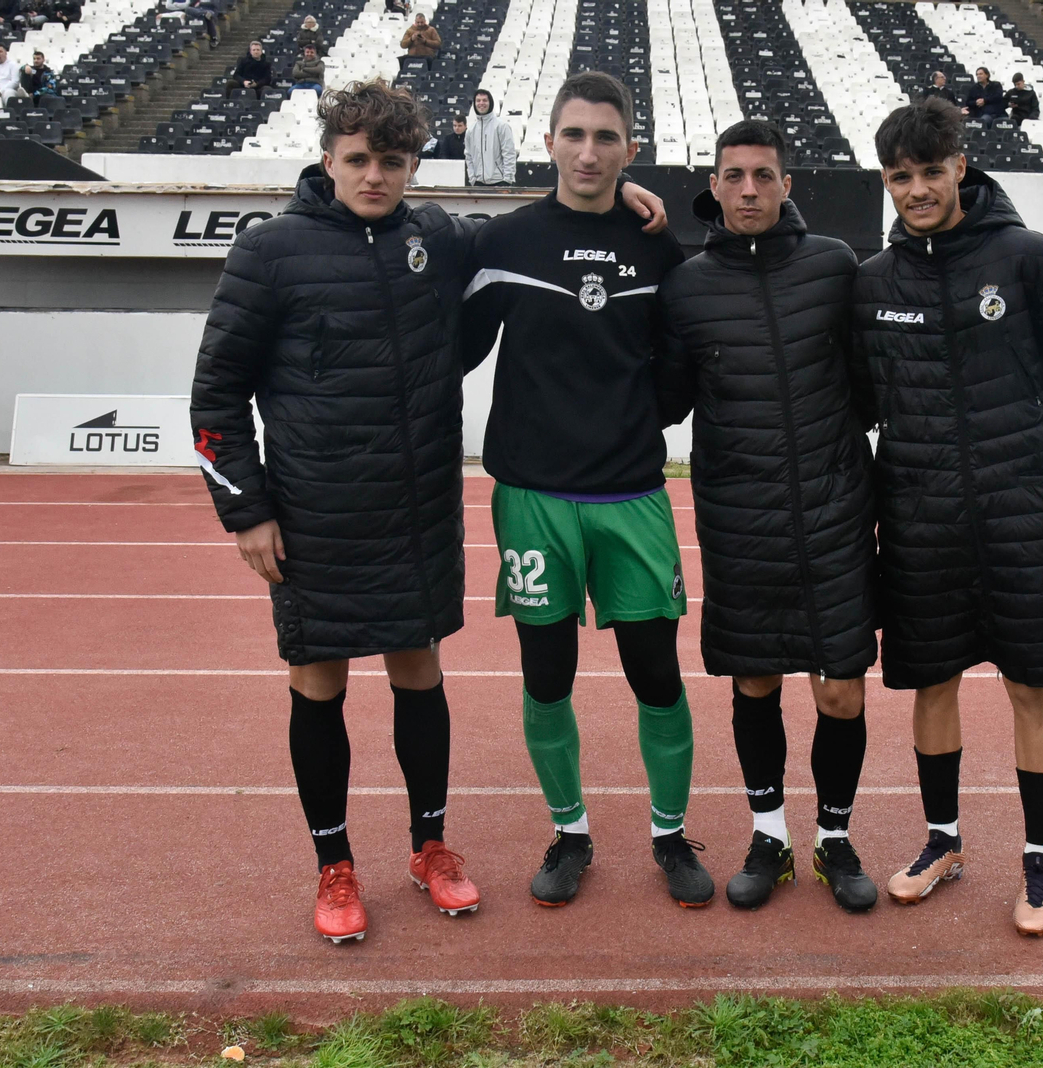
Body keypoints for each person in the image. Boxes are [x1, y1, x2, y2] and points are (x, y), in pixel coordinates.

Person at [190, 80, 482, 945]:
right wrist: (246, 512)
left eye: (393, 161)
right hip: (316, 517)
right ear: (328, 160)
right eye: (359, 159)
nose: (376, 176)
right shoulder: (271, 250)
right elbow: (214, 396)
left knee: (418, 674)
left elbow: (534, 235)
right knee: (320, 683)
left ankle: (430, 846)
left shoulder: (435, 235)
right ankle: (334, 862)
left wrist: (620, 200)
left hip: (417, 509)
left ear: (412, 166)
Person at [851, 98, 1043, 936]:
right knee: (930, 685)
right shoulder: (873, 284)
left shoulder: (1036, 261)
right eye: (902, 177)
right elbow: (857, 403)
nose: (919, 190)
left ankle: (1040, 865)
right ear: (887, 181)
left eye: (933, 173)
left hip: (1024, 517)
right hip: (923, 523)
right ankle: (943, 843)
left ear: (961, 166)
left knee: (1029, 684)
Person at [460, 70, 708, 909]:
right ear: (549, 142)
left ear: (630, 150)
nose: (589, 150)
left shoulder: (658, 247)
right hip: (531, 497)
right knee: (546, 675)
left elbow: (679, 369)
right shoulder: (506, 242)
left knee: (656, 677)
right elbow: (452, 348)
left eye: (606, 137)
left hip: (631, 496)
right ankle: (570, 833)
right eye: (575, 134)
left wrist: (632, 422)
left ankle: (670, 837)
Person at [655, 119, 878, 913]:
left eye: (763, 175)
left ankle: (836, 839)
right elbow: (665, 399)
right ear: (712, 188)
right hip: (739, 518)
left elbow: (871, 385)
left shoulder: (835, 268)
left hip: (835, 518)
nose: (748, 189)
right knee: (755, 685)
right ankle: (771, 835)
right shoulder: (685, 285)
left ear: (788, 185)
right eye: (734, 176)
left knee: (841, 696)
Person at [464, 88, 515, 185]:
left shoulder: (502, 127)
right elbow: (469, 157)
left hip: (500, 182)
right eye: (478, 100)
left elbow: (509, 154)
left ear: (490, 103)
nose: (481, 103)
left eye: (484, 100)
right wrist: (473, 179)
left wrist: (507, 180)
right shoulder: (470, 131)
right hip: (478, 183)